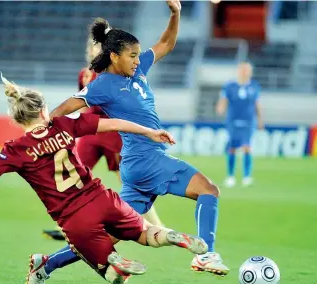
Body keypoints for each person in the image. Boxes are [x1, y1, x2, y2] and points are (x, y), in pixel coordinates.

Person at [0, 75, 208, 284]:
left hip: (75, 218)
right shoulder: (63, 125)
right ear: (44, 111)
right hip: (104, 199)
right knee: (146, 234)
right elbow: (111, 124)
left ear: (17, 119)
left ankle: (112, 263)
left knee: (115, 276)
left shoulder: (16, 149)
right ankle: (166, 237)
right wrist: (148, 131)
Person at [46, 0, 229, 276]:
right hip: (147, 160)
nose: (137, 59)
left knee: (107, 237)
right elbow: (63, 109)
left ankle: (46, 264)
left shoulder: (138, 68)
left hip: (138, 163)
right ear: (114, 57)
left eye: (138, 54)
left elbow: (166, 44)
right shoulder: (102, 85)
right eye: (132, 55)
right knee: (209, 190)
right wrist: (46, 132)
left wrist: (175, 13)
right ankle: (208, 255)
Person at [43, 36, 164, 241]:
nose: (93, 49)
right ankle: (70, 225)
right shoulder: (84, 74)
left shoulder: (114, 74)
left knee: (129, 180)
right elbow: (81, 101)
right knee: (75, 173)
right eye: (91, 46)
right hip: (91, 132)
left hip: (113, 131)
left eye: (97, 46)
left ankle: (157, 225)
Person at [216, 62, 263, 188]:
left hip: (248, 121)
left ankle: (247, 177)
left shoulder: (254, 86)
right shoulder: (230, 86)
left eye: (247, 70)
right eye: (243, 70)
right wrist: (220, 108)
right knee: (232, 147)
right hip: (232, 120)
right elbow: (223, 100)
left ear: (250, 72)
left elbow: (257, 104)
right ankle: (230, 176)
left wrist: (260, 119)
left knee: (247, 147)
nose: (245, 72)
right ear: (238, 71)